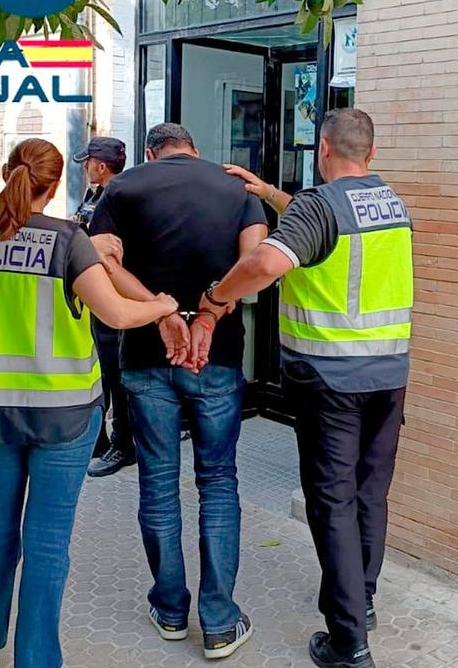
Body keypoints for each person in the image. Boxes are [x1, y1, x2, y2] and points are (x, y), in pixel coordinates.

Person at [0, 138, 177, 668]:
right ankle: (36, 661)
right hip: (64, 416)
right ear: (52, 188)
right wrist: (163, 304)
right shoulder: (68, 242)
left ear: (10, 174)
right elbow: (117, 314)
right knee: (46, 545)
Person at [202, 109, 412, 668]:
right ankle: (360, 601)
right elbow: (325, 226)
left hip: (330, 380)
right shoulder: (390, 203)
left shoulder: (321, 207)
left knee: (332, 502)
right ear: (371, 150)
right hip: (388, 376)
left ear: (322, 149)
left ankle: (348, 645)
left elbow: (268, 260)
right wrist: (270, 193)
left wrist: (217, 298)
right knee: (369, 494)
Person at [88, 122, 268, 659]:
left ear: (150, 152)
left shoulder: (123, 188)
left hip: (146, 357)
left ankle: (169, 610)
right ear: (195, 148)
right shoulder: (234, 187)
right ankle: (218, 622)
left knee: (159, 481)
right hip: (216, 358)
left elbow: (103, 261)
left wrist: (163, 312)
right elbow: (255, 264)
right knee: (217, 481)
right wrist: (208, 314)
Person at [70, 136, 138, 478]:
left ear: (100, 165)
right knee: (100, 371)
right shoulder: (95, 194)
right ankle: (98, 441)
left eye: (87, 162)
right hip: (94, 295)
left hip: (112, 295)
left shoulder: (118, 198)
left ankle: (124, 445)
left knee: (115, 374)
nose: (84, 168)